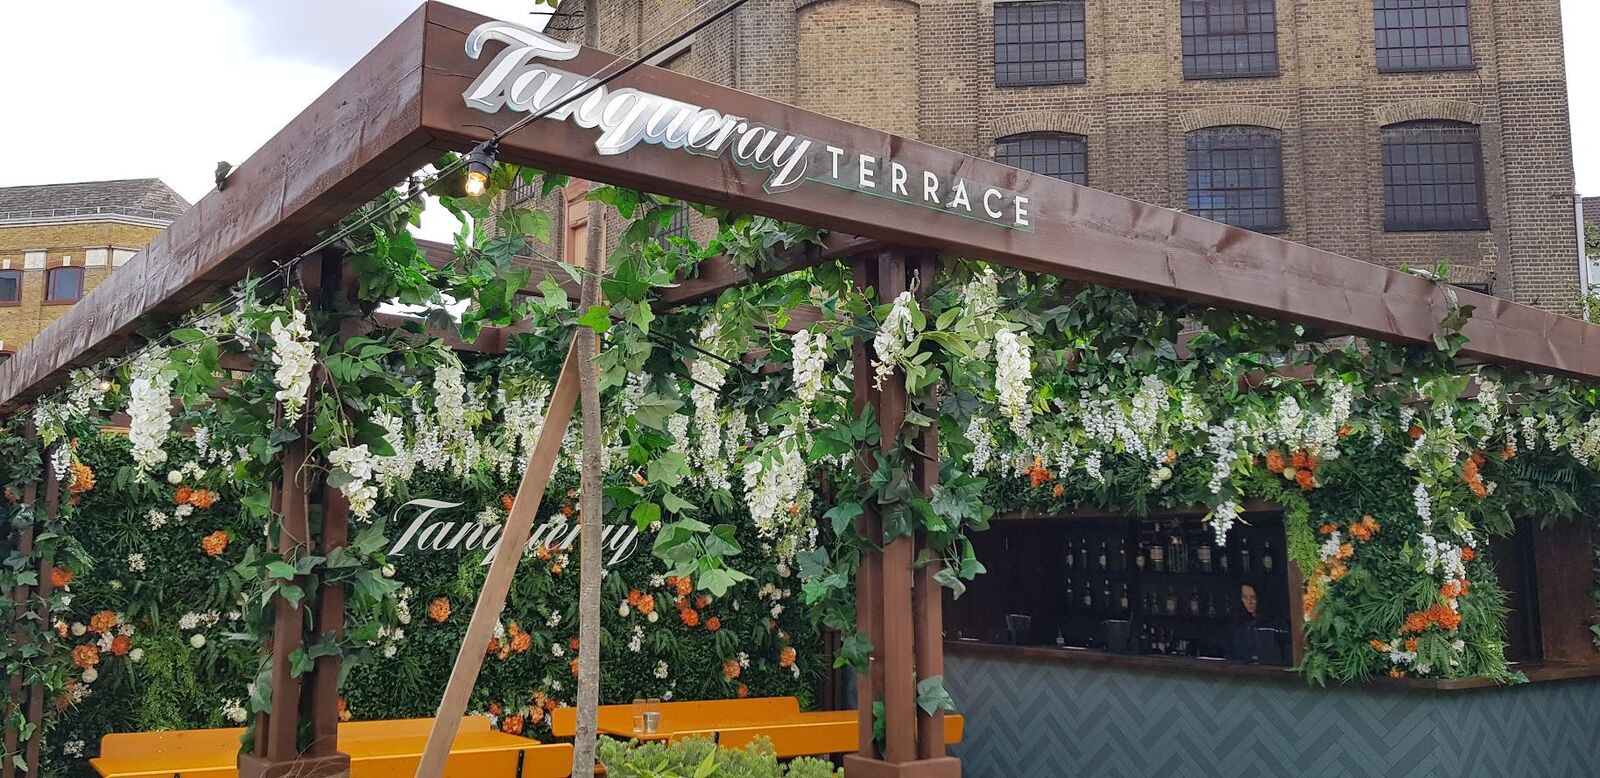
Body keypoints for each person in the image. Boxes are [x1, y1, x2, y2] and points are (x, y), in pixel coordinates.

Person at [1226, 583, 1283, 664]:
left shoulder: (1276, 625)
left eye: (1253, 597)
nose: (1249, 602)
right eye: (1245, 597)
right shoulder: (1238, 626)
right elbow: (1230, 656)